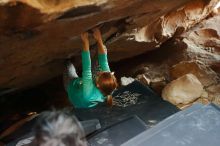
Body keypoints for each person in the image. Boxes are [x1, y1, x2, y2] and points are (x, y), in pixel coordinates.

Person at [63, 28, 118, 108]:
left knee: (68, 66)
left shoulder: (89, 94)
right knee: (103, 50)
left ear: (98, 84)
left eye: (100, 75)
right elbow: (103, 61)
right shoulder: (109, 86)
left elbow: (87, 68)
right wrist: (99, 39)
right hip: (89, 84)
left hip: (74, 89)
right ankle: (95, 49)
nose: (100, 72)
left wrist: (85, 41)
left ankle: (68, 61)